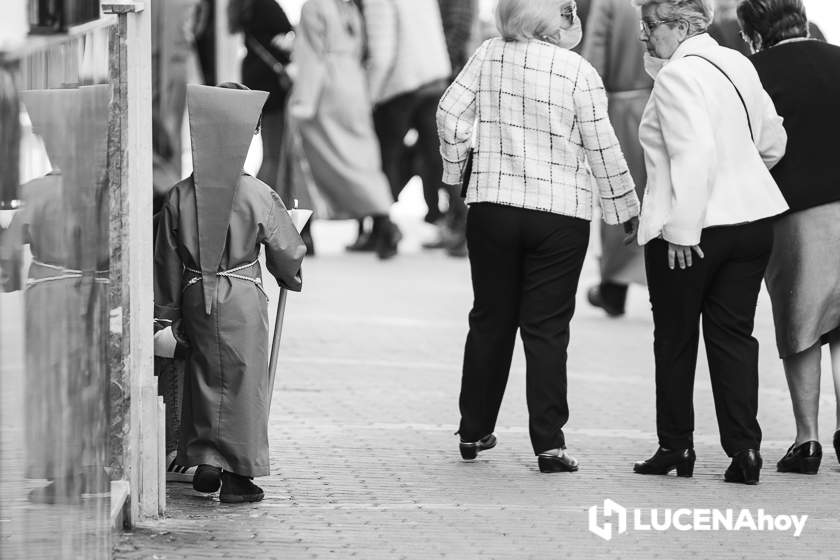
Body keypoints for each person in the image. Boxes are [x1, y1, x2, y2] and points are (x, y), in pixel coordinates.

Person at [438, 0, 640, 473]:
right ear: (551, 19)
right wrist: (625, 209)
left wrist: (456, 171)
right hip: (559, 215)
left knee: (490, 319)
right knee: (547, 328)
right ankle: (548, 443)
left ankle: (473, 430)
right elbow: (601, 145)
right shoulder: (577, 71)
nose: (575, 18)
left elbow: (450, 113)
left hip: (494, 207)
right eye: (568, 11)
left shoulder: (489, 54)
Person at [631, 0, 789, 485]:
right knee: (734, 337)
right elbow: (773, 141)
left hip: (694, 229)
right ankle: (745, 452)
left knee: (676, 340)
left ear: (679, 27)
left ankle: (675, 446)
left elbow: (692, 153)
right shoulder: (737, 60)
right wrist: (741, 176)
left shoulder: (677, 76)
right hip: (753, 220)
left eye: (650, 27)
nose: (644, 37)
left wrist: (683, 229)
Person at [154, 83, 306, 503]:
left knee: (202, 378)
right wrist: (290, 274)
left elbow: (164, 260)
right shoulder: (257, 193)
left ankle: (206, 460)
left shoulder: (179, 195)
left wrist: (164, 314)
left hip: (192, 296)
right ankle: (238, 478)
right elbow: (287, 250)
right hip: (241, 294)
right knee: (243, 383)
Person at [738, 0, 840, 473]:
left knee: (801, 327)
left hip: (795, 215)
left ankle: (808, 441)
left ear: (754, 33)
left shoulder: (753, 73)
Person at [2, 86, 112, 504]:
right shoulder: (108, 189)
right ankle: (96, 466)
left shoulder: (35, 192)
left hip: (49, 300)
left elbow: (8, 260)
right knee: (96, 380)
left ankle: (63, 475)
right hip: (100, 294)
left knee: (54, 384)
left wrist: (12, 280)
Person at [289, 0, 400, 260]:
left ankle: (304, 233)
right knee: (361, 160)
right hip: (353, 84)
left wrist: (302, 103)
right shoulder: (348, 7)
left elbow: (311, 54)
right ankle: (384, 220)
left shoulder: (314, 6)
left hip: (325, 87)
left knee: (307, 160)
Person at [582, 0, 653, 317]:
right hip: (668, 100)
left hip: (623, 109)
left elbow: (595, 59)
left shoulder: (609, 2)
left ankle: (614, 288)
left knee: (621, 195)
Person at [363, 0, 452, 241]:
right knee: (438, 155)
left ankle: (382, 229)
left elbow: (382, 53)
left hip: (401, 84)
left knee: (386, 157)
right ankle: (460, 222)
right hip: (433, 76)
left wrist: (369, 96)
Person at [228, 0, 295, 192]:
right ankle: (262, 205)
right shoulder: (265, 4)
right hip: (272, 83)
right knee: (274, 154)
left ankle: (260, 204)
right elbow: (286, 29)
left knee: (271, 151)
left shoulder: (243, 6)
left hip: (256, 78)